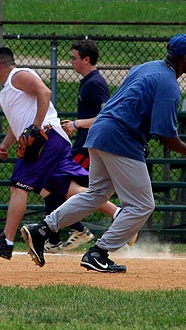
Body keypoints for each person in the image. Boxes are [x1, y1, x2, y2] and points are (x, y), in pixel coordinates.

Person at [21, 33, 186, 273]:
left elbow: (131, 103)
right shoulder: (169, 85)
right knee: (142, 205)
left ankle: (42, 230)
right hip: (120, 138)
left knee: (97, 194)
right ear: (185, 58)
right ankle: (99, 252)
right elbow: (166, 136)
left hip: (100, 131)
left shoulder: (146, 67)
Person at [0, 47, 119, 260]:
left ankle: (5, 241)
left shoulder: (18, 75)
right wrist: (5, 145)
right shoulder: (6, 92)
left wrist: (35, 127)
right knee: (68, 190)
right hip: (50, 139)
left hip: (45, 138)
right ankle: (119, 214)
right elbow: (17, 124)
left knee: (18, 186)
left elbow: (45, 93)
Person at [46, 39, 111, 253]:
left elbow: (107, 117)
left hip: (88, 147)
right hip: (82, 144)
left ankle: (114, 216)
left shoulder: (95, 83)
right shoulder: (87, 82)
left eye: (74, 58)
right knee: (53, 185)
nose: (71, 62)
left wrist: (77, 124)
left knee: (60, 185)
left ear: (86, 59)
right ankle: (58, 237)